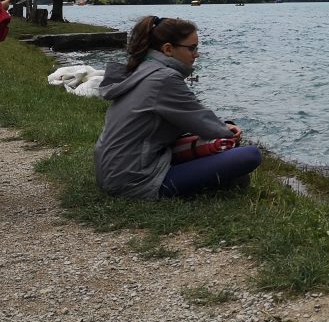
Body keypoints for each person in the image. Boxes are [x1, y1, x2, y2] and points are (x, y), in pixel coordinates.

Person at [94, 15, 262, 199]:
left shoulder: (143, 69)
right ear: (168, 49)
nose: (197, 54)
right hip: (135, 180)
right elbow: (201, 120)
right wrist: (229, 131)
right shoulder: (164, 78)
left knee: (223, 152)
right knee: (249, 155)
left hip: (113, 172)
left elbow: (190, 118)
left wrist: (221, 128)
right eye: (192, 48)